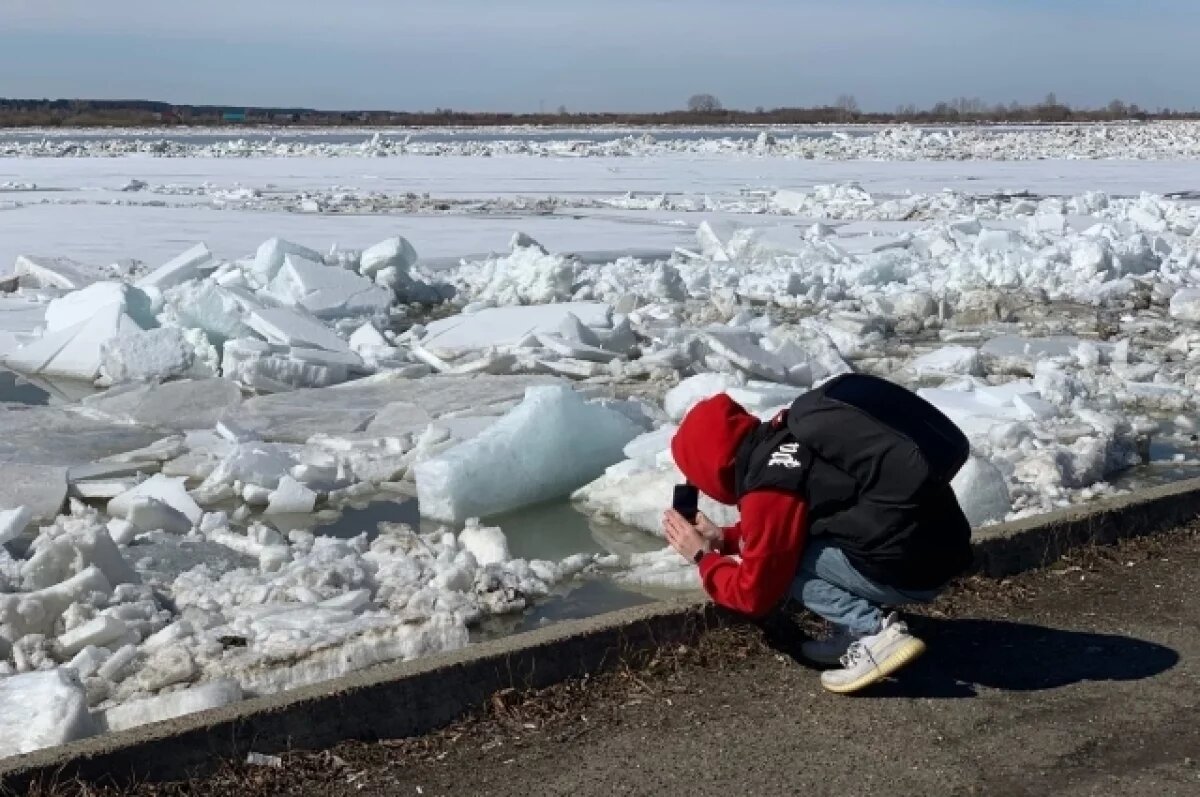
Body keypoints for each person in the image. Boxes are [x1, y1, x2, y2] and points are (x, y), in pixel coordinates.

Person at [662, 387, 973, 694]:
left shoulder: (767, 489)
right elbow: (795, 520)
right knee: (793, 547)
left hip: (914, 572)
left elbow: (755, 592)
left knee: (786, 564)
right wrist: (725, 539)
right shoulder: (786, 436)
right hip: (942, 548)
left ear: (710, 467)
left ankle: (873, 633)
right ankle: (850, 632)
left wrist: (704, 558)